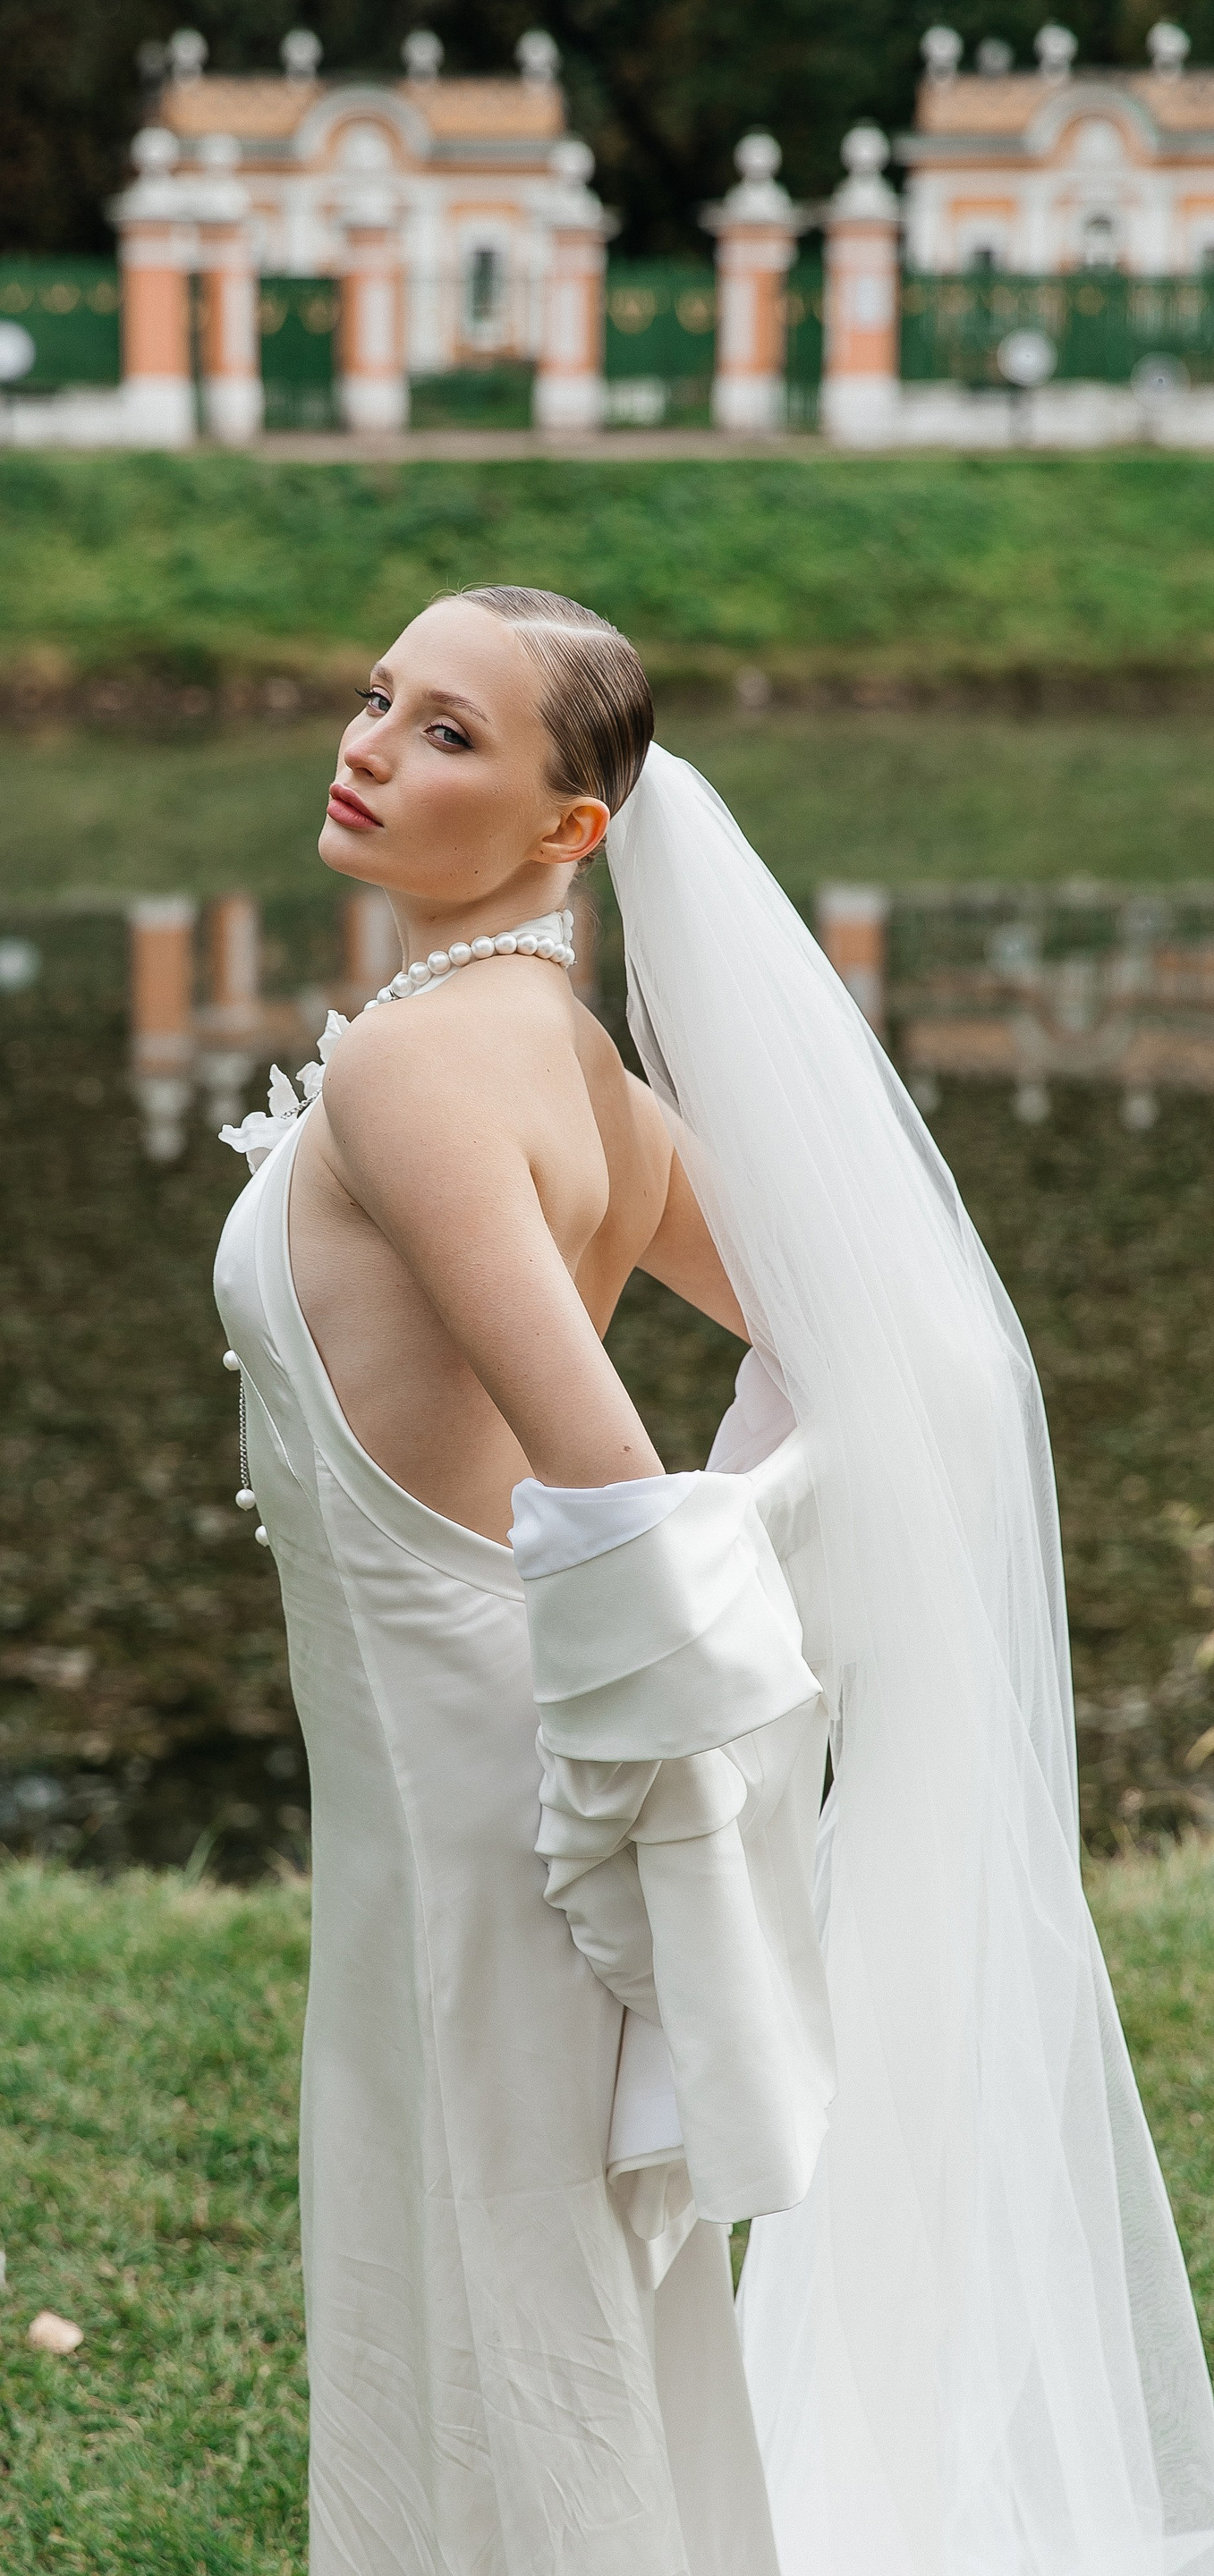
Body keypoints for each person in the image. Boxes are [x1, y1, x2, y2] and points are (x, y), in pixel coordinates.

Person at [214, 587, 1214, 2576]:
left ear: (571, 827)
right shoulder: (566, 1057)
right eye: (379, 700)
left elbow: (604, 1478)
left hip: (474, 1783)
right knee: (551, 2280)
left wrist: (714, 1623)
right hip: (476, 1753)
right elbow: (880, 1351)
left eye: (449, 734)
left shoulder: (418, 1074)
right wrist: (776, 1533)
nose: (372, 747)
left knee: (511, 2293)